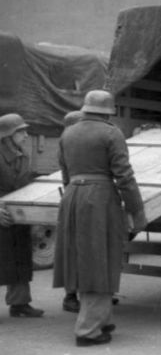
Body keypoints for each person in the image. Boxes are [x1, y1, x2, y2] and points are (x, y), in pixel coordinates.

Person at [53, 91, 146, 347]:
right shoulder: (111, 133)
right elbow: (124, 176)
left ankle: (101, 320)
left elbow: (64, 171)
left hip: (72, 196)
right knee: (99, 258)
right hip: (100, 199)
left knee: (87, 257)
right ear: (108, 110)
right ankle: (88, 330)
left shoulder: (68, 132)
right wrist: (137, 211)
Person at [0, 113, 45, 318]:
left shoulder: (23, 154)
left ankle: (19, 304)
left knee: (20, 258)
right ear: (8, 134)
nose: (26, 135)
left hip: (18, 215)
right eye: (22, 131)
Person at [58, 111, 84, 313]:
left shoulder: (65, 142)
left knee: (75, 249)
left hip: (71, 197)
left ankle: (79, 296)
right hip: (78, 200)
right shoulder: (73, 143)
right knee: (78, 249)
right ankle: (71, 296)